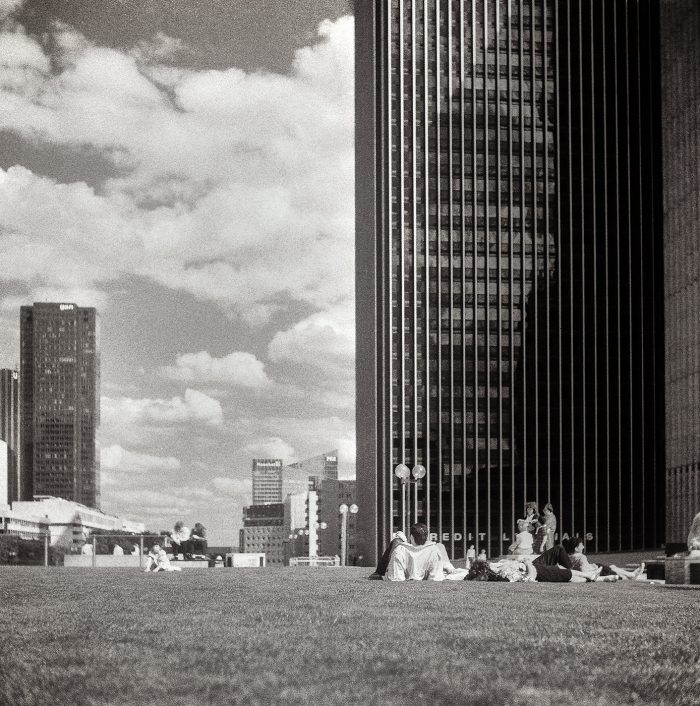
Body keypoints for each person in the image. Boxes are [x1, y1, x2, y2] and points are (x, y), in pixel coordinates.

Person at [381, 524, 468, 582]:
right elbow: (435, 577)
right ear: (426, 537)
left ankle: (377, 573)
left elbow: (396, 576)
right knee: (440, 546)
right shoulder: (434, 550)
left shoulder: (400, 550)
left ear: (411, 537)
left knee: (396, 540)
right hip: (438, 567)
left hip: (402, 564)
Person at [494, 545, 601, 583]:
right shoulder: (502, 573)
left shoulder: (500, 570)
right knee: (558, 549)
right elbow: (529, 577)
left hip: (534, 567)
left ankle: (587, 574)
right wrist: (526, 563)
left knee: (565, 572)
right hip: (534, 567)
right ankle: (586, 573)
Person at [562, 537, 645, 580]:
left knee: (613, 567)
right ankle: (632, 575)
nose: (583, 547)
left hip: (596, 568)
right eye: (581, 545)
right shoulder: (581, 557)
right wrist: (594, 570)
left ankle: (631, 575)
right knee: (613, 568)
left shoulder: (568, 557)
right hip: (598, 570)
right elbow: (584, 571)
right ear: (576, 548)